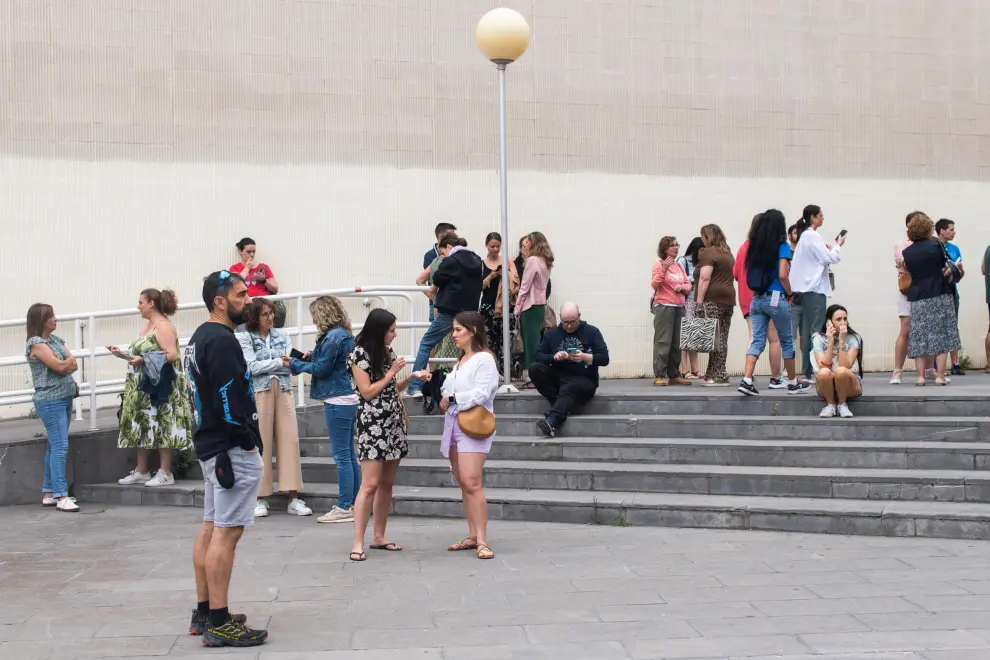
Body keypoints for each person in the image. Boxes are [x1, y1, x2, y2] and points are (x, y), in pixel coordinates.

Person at [184, 270, 267, 647]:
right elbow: (228, 398)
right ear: (220, 302)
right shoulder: (220, 340)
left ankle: (206, 611)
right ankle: (218, 620)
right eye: (239, 295)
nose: (247, 300)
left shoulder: (201, 337)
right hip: (228, 449)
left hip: (211, 445)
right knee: (226, 531)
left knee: (211, 525)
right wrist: (246, 439)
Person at [349, 309, 431, 561]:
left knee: (386, 483)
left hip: (393, 422)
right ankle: (357, 542)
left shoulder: (387, 352)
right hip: (372, 425)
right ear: (379, 330)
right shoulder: (358, 355)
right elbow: (367, 392)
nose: (395, 335)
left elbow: (390, 388)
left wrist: (409, 379)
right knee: (370, 484)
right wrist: (391, 372)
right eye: (392, 330)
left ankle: (379, 535)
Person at [287, 296, 360, 524]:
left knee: (342, 457)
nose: (314, 321)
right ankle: (357, 502)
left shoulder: (332, 336)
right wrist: (309, 355)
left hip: (337, 399)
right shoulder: (343, 333)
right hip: (348, 396)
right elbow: (329, 362)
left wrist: (293, 364)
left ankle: (345, 505)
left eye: (315, 316)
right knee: (349, 454)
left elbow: (322, 369)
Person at [111, 288, 193, 488]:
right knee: (144, 423)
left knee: (163, 422)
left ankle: (165, 471)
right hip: (143, 385)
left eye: (141, 302)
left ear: (151, 304)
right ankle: (142, 469)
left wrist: (143, 359)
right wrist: (125, 355)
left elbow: (172, 354)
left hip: (160, 386)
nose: (138, 306)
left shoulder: (163, 326)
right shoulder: (150, 326)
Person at [237, 298, 311, 518]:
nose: (271, 317)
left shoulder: (283, 335)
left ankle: (293, 497)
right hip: (259, 393)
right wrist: (280, 362)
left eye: (271, 313)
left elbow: (292, 365)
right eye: (265, 314)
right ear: (254, 317)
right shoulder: (244, 337)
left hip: (284, 390)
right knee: (261, 443)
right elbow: (251, 367)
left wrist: (287, 362)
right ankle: (259, 498)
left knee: (290, 440)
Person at [439, 312, 500, 560]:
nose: (454, 334)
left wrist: (453, 398)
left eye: (458, 330)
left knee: (472, 481)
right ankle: (473, 535)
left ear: (472, 330)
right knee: (464, 481)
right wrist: (445, 393)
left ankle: (482, 540)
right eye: (454, 330)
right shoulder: (461, 361)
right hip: (454, 423)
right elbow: (448, 387)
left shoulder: (484, 359)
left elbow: (483, 392)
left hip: (473, 424)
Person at [736, 211, 812, 396]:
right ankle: (793, 382)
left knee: (757, 340)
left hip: (757, 298)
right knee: (786, 340)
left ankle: (747, 380)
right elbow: (783, 274)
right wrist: (790, 292)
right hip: (776, 297)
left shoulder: (754, 247)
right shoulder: (782, 246)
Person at [406, 238, 483, 398]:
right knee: (467, 347)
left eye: (443, 251)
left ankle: (415, 386)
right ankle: (469, 383)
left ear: (448, 246)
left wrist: (433, 291)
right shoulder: (477, 260)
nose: (443, 254)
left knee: (427, 343)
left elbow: (437, 280)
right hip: (470, 312)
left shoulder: (450, 260)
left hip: (449, 310)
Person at [25, 303, 79, 512]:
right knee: (60, 447)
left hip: (64, 397)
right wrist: (65, 364)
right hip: (50, 401)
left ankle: (49, 491)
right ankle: (61, 495)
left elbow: (72, 363)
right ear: (40, 321)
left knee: (53, 445)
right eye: (50, 316)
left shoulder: (55, 340)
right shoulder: (36, 344)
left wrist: (66, 364)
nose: (55, 319)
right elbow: (59, 365)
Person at [529, 303, 610, 437]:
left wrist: (585, 357)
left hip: (584, 379)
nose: (569, 325)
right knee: (535, 369)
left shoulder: (592, 332)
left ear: (579, 316)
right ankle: (562, 407)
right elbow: (538, 356)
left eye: (573, 322)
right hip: (559, 377)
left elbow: (604, 358)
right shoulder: (551, 334)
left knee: (570, 387)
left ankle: (552, 419)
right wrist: (554, 357)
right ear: (560, 318)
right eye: (565, 322)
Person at [903, 213, 961, 386]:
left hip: (919, 296)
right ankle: (940, 376)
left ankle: (920, 377)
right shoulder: (935, 244)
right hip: (940, 292)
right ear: (928, 228)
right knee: (941, 335)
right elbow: (946, 263)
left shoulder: (907, 252)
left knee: (920, 336)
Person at [790, 205, 844, 380]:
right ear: (812, 217)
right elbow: (831, 258)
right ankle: (816, 369)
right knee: (816, 331)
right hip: (814, 288)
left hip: (805, 289)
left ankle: (807, 371)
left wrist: (826, 249)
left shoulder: (806, 237)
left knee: (806, 331)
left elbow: (817, 258)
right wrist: (837, 246)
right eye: (820, 215)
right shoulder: (812, 236)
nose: (823, 218)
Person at [735, 214, 784, 388]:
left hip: (746, 298)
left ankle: (749, 375)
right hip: (767, 295)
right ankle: (776, 377)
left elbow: (735, 273)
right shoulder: (768, 247)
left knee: (753, 336)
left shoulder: (744, 247)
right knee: (774, 338)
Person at [694, 224, 736, 386]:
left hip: (712, 299)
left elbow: (705, 278)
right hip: (728, 299)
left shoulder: (708, 252)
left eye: (703, 237)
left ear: (707, 236)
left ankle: (719, 375)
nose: (702, 240)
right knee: (722, 336)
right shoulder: (727, 253)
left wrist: (699, 301)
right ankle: (713, 373)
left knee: (715, 338)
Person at [650, 236, 692, 386]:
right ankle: (660, 375)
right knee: (663, 341)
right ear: (664, 248)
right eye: (672, 245)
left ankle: (674, 374)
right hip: (664, 306)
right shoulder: (659, 264)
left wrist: (684, 288)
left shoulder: (679, 266)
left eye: (677, 245)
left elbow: (688, 284)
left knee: (676, 343)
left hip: (678, 307)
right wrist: (664, 269)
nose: (676, 247)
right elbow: (655, 284)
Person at [515, 232, 554, 386]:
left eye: (527, 242)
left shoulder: (532, 260)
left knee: (530, 344)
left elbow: (525, 287)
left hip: (529, 305)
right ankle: (537, 374)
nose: (525, 245)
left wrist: (517, 308)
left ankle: (532, 376)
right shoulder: (545, 260)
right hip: (540, 304)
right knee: (536, 341)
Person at [812, 305, 863, 418]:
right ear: (829, 322)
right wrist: (830, 342)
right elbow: (823, 366)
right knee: (824, 372)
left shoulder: (854, 338)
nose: (843, 322)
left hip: (849, 383)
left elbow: (844, 366)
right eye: (838, 319)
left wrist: (842, 341)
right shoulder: (818, 338)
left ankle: (842, 404)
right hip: (827, 384)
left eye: (845, 318)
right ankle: (831, 404)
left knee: (841, 371)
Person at [479, 232, 519, 371]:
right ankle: (491, 370)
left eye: (498, 246)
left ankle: (505, 370)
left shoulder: (507, 261)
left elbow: (516, 280)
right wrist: (491, 276)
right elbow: (479, 286)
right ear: (486, 245)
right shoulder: (481, 264)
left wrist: (506, 274)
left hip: (505, 305)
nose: (495, 249)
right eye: (492, 246)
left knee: (505, 339)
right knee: (489, 339)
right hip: (488, 305)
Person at [936, 218, 965, 376]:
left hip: (953, 292)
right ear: (942, 230)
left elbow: (961, 274)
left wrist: (959, 269)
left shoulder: (955, 249)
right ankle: (936, 365)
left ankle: (955, 363)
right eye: (951, 229)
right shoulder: (934, 247)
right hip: (938, 293)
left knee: (953, 326)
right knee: (937, 328)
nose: (954, 232)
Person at [891, 212, 918, 384]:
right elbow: (903, 262)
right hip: (908, 288)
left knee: (926, 330)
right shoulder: (901, 244)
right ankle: (897, 371)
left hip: (926, 289)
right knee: (906, 329)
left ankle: (928, 369)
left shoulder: (930, 243)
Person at [678, 237, 704, 379]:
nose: (702, 253)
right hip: (686, 301)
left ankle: (695, 369)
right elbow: (678, 278)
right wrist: (695, 279)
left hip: (698, 302)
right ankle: (684, 369)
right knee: (686, 335)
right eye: (701, 250)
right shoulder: (683, 261)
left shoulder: (702, 263)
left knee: (695, 335)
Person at [423, 222, 458, 322]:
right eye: (452, 235)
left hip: (454, 302)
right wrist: (433, 297)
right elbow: (423, 280)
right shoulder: (431, 256)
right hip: (439, 303)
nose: (454, 238)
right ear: (441, 236)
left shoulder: (456, 252)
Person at [787, 224, 804, 353]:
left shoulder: (805, 253)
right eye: (795, 233)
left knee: (806, 337)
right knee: (790, 336)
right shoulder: (785, 254)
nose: (797, 235)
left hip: (807, 300)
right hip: (792, 302)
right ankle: (788, 368)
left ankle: (808, 368)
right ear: (789, 236)